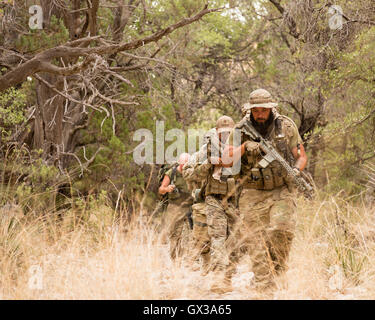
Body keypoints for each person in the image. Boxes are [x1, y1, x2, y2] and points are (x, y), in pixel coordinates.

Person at [224, 88, 308, 294]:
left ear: (271, 109)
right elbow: (226, 159)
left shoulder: (286, 127)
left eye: (264, 110)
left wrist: (296, 171)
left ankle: (278, 273)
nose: (260, 114)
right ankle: (264, 286)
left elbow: (301, 156)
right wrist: (244, 147)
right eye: (256, 110)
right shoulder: (240, 130)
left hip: (281, 189)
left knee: (283, 230)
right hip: (252, 192)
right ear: (250, 110)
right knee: (255, 240)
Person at [186, 116, 240, 294]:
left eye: (229, 133)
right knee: (217, 237)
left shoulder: (240, 147)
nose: (225, 136)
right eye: (222, 133)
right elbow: (189, 173)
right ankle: (218, 278)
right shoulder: (206, 150)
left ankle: (227, 277)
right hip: (214, 199)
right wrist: (210, 163)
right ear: (216, 132)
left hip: (235, 201)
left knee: (236, 241)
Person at [158, 153, 193, 260]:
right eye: (183, 164)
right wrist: (167, 189)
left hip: (190, 207)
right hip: (175, 207)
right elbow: (161, 190)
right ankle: (175, 259)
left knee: (192, 233)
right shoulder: (171, 173)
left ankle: (190, 258)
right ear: (179, 163)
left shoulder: (192, 173)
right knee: (175, 234)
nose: (184, 167)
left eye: (187, 164)